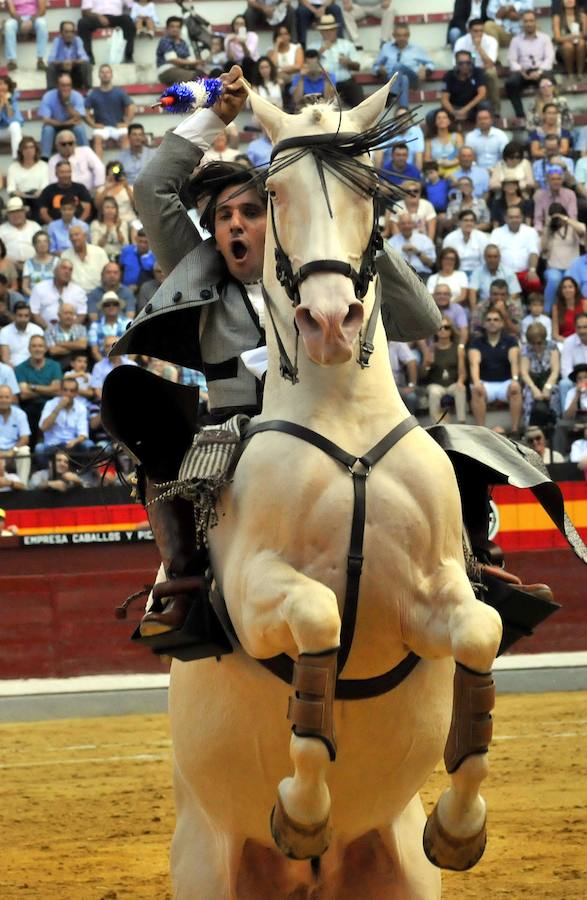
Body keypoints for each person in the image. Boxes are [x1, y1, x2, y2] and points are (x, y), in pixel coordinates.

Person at [104, 65, 442, 641]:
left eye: (250, 212)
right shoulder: (204, 273)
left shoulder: (328, 278)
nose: (234, 226)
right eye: (222, 218)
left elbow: (420, 321)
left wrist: (352, 233)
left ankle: (472, 563)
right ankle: (186, 577)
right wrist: (215, 115)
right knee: (135, 400)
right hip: (239, 439)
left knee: (444, 451)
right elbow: (152, 190)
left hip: (350, 429)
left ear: (282, 217)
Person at [468, 306, 522, 436]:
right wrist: (476, 383)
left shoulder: (511, 341)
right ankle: (482, 431)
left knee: (515, 388)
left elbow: (514, 362)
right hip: (485, 383)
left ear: (502, 323)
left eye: (496, 319)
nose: (492, 322)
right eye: (489, 319)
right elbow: (474, 364)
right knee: (476, 390)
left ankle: (515, 430)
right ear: (484, 323)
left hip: (505, 382)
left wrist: (515, 380)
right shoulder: (476, 342)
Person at [505, 11, 555, 120]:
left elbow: (549, 58)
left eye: (531, 21)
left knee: (548, 81)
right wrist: (521, 71)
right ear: (522, 23)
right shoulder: (515, 40)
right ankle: (520, 115)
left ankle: (550, 112)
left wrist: (539, 72)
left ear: (536, 22)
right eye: (526, 21)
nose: (528, 24)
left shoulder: (545, 38)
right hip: (523, 71)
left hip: (541, 70)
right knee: (510, 83)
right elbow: (512, 60)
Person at [372, 23, 434, 106]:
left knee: (398, 66)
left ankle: (391, 92)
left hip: (412, 79)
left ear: (408, 35)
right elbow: (375, 66)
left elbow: (430, 63)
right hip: (390, 78)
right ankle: (403, 111)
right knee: (404, 79)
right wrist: (379, 70)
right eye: (399, 35)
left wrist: (426, 70)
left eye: (404, 35)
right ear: (394, 35)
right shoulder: (386, 48)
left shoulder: (417, 48)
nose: (402, 38)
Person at [14, 334, 61, 437]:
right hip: (30, 406)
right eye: (34, 346)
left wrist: (33, 387)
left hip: (51, 404)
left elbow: (57, 389)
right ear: (29, 349)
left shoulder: (54, 365)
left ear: (45, 348)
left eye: (40, 346)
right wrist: (48, 391)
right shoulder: (20, 368)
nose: (37, 349)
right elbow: (24, 394)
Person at [541, 203, 586, 312]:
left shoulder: (572, 227)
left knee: (569, 281)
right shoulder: (548, 230)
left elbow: (583, 230)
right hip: (553, 268)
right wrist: (547, 226)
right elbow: (543, 248)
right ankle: (548, 311)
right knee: (554, 279)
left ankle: (571, 310)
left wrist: (565, 219)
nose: (557, 220)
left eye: (559, 217)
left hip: (572, 268)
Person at [84, 64, 135, 159]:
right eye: (102, 72)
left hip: (118, 126)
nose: (105, 74)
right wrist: (93, 125)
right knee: (97, 139)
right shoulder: (93, 94)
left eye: (107, 72)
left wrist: (127, 123)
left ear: (111, 75)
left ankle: (126, 166)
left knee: (125, 137)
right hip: (101, 127)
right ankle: (99, 169)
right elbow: (85, 111)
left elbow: (131, 106)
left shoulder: (119, 92)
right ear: (99, 75)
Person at [36, 375, 93, 459]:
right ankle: (49, 471)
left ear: (76, 393)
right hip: (53, 445)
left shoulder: (81, 408)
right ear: (60, 391)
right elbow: (43, 427)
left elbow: (83, 434)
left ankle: (83, 471)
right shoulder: (50, 404)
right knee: (39, 448)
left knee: (89, 444)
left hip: (73, 445)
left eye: (72, 391)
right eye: (65, 390)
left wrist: (75, 441)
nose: (68, 393)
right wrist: (58, 407)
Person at [313, 13, 363, 109]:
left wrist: (348, 63)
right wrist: (320, 52)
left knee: (356, 91)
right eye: (325, 30)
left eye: (331, 30)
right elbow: (309, 65)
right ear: (321, 32)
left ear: (336, 30)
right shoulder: (314, 46)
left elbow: (358, 66)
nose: (328, 33)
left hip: (345, 83)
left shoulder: (347, 44)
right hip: (323, 83)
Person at [423, 317, 467, 424]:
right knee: (433, 392)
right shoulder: (431, 348)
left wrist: (460, 382)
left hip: (452, 383)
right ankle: (437, 425)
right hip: (435, 384)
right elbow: (423, 375)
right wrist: (428, 364)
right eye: (440, 328)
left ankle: (462, 422)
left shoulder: (458, 349)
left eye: (446, 327)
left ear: (451, 330)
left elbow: (462, 372)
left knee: (461, 388)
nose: (442, 330)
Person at [490, 206, 541, 294]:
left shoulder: (530, 231)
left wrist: (532, 270)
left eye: (517, 217)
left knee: (535, 283)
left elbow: (533, 252)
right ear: (505, 218)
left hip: (524, 273)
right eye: (511, 217)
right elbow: (492, 254)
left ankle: (531, 306)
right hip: (503, 274)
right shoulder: (497, 232)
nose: (514, 220)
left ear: (522, 218)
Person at [454, 18, 500, 112]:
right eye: (475, 31)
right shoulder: (461, 42)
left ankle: (496, 110)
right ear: (469, 31)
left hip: (483, 71)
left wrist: (478, 47)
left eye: (481, 31)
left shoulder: (491, 41)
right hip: (466, 71)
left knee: (491, 73)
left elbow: (490, 64)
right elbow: (456, 64)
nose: (478, 34)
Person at [39, 74, 88, 161]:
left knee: (79, 128)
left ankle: (87, 155)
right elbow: (46, 120)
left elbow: (78, 118)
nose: (66, 88)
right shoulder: (48, 96)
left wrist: (67, 103)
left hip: (71, 127)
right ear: (58, 86)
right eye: (63, 85)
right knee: (47, 129)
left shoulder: (77, 96)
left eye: (68, 85)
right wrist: (64, 123)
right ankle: (45, 158)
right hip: (55, 128)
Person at [520, 321, 560, 426]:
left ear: (544, 339)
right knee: (528, 395)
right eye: (533, 343)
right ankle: (529, 427)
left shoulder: (552, 346)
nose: (536, 346)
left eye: (539, 343)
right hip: (533, 382)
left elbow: (555, 371)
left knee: (554, 393)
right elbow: (524, 373)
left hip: (549, 380)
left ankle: (555, 425)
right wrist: (534, 389)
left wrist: (547, 387)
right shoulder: (526, 349)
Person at [29, 258, 88, 327]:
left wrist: (69, 331)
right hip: (44, 331)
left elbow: (81, 315)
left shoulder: (79, 291)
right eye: (64, 268)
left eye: (70, 269)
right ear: (54, 271)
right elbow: (34, 312)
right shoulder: (39, 288)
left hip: (72, 333)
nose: (67, 271)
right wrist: (48, 330)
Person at [78, 0, 135, 65]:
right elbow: (85, 11)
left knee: (128, 20)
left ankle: (128, 55)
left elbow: (132, 6)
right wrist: (98, 16)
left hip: (116, 18)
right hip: (96, 18)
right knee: (82, 23)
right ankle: (88, 57)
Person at [440, 50, 488, 124]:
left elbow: (482, 94)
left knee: (485, 106)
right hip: (454, 108)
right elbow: (444, 99)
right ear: (456, 64)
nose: (464, 66)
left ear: (471, 62)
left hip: (472, 107)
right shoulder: (449, 75)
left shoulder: (478, 72)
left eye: (467, 63)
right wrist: (454, 112)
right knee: (431, 116)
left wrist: (465, 110)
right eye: (461, 63)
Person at [38, 160, 92, 224]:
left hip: (78, 227)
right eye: (62, 172)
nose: (66, 175)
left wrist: (78, 225)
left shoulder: (80, 188)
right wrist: (54, 225)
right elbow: (43, 212)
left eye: (68, 172)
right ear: (56, 174)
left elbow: (87, 210)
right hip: (54, 226)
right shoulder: (48, 190)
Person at [7, 138, 49, 220]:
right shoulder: (13, 167)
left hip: (38, 197)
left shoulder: (43, 166)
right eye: (25, 148)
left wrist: (41, 191)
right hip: (21, 197)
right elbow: (10, 187)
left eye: (31, 147)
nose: (29, 150)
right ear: (21, 151)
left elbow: (45, 185)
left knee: (38, 204)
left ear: (36, 150)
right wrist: (15, 192)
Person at [156, 16, 204, 87]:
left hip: (181, 69)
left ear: (180, 29)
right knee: (192, 76)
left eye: (177, 27)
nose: (175, 29)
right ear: (167, 28)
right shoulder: (165, 40)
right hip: (166, 70)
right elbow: (173, 60)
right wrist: (195, 62)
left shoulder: (183, 42)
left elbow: (188, 58)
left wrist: (197, 64)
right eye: (172, 26)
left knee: (201, 73)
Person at [47, 20, 92, 90]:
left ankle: (88, 90)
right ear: (61, 33)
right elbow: (50, 60)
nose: (69, 34)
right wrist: (62, 63)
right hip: (61, 74)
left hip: (75, 74)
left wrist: (72, 62)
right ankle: (51, 92)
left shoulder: (78, 40)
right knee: (51, 67)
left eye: (72, 32)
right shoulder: (57, 41)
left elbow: (85, 58)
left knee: (86, 64)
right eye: (66, 32)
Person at [442, 209, 489, 277]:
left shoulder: (482, 237)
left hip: (477, 273)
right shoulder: (450, 238)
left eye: (471, 221)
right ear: (459, 222)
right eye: (466, 220)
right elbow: (446, 260)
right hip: (456, 273)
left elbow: (485, 260)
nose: (469, 223)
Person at [0, 384, 31, 486]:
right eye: (0, 397)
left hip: (12, 453)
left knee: (24, 451)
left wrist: (13, 450)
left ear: (12, 398)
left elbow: (25, 438)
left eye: (6, 397)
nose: (3, 400)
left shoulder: (20, 414)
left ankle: (22, 486)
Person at [4, 0, 48, 72]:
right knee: (8, 26)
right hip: (17, 18)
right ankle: (12, 61)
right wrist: (21, 22)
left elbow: (42, 10)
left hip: (34, 17)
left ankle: (40, 60)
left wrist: (31, 20)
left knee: (42, 24)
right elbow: (12, 12)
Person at [267, 24, 303, 111]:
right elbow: (271, 66)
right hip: (279, 80)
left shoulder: (296, 48)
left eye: (286, 34)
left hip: (294, 78)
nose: (283, 37)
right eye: (280, 34)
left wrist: (280, 69)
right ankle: (280, 107)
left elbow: (298, 66)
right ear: (276, 37)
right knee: (279, 80)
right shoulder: (271, 50)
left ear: (289, 35)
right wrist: (276, 47)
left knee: (282, 78)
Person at [554, 360, 587, 455]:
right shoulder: (572, 392)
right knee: (560, 426)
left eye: (585, 377)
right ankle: (559, 457)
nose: (583, 381)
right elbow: (567, 416)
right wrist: (577, 396)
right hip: (576, 423)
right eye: (579, 379)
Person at [44, 302, 88, 371]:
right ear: (59, 315)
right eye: (66, 313)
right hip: (58, 364)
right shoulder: (50, 331)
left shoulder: (81, 329)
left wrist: (60, 344)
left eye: (71, 313)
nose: (69, 316)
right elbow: (53, 351)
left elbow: (83, 345)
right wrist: (76, 346)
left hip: (77, 367)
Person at [88, 291, 131, 360]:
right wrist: (106, 366)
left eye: (115, 304)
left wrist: (126, 365)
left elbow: (135, 346)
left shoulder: (128, 323)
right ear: (102, 308)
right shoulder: (95, 326)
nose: (111, 307)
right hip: (103, 365)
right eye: (107, 305)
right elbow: (95, 351)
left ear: (119, 307)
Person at [533, 167, 578, 233]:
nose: (556, 182)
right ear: (548, 181)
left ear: (562, 180)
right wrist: (540, 232)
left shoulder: (570, 194)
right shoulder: (539, 195)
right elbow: (538, 219)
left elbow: (573, 217)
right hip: (547, 231)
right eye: (553, 179)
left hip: (566, 230)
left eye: (558, 179)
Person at [0, 302, 44, 367]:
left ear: (30, 317)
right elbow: (5, 358)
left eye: (26, 316)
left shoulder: (37, 330)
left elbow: (41, 354)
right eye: (20, 315)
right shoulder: (5, 332)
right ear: (14, 316)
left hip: (34, 368)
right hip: (13, 369)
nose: (23, 319)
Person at [424, 109, 463, 178]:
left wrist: (449, 163)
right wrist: (439, 163)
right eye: (438, 118)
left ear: (449, 121)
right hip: (436, 174)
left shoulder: (457, 136)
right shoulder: (429, 140)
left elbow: (462, 156)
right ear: (435, 122)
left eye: (444, 117)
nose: (441, 120)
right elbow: (427, 160)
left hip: (455, 172)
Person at [0, 198, 39, 266]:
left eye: (18, 211)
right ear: (7, 215)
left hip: (34, 265)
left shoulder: (35, 226)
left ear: (24, 212)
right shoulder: (1, 229)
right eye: (12, 212)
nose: (16, 215)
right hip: (9, 267)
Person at [552, 0, 586, 77]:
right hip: (563, 47)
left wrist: (574, 37)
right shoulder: (557, 17)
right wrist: (572, 37)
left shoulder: (582, 15)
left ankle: (580, 73)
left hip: (580, 44)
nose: (569, 0)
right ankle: (570, 74)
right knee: (568, 46)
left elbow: (585, 34)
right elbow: (557, 38)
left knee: (581, 43)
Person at [90, 196, 130, 260]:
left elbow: (125, 245)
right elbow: (95, 246)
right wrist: (107, 233)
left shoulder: (122, 223)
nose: (110, 210)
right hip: (101, 257)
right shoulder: (95, 224)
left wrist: (117, 230)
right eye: (107, 207)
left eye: (113, 207)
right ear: (102, 210)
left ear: (116, 210)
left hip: (120, 256)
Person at [224, 14, 260, 81]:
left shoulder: (252, 36)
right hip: (237, 65)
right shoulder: (229, 38)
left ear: (245, 26)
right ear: (233, 26)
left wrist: (243, 44)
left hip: (251, 63)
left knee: (246, 60)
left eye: (241, 24)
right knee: (229, 64)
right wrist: (229, 44)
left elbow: (248, 55)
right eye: (237, 24)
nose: (239, 26)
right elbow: (230, 58)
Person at [551, 276, 587, 343]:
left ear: (575, 289)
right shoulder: (556, 307)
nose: (567, 290)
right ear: (561, 291)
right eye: (564, 287)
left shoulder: (584, 303)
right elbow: (555, 334)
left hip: (584, 340)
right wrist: (568, 342)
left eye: (570, 287)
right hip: (564, 341)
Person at [0, 74, 23, 160]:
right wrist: (1, 105)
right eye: (0, 84)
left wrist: (7, 103)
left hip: (6, 132)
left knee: (15, 126)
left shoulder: (12, 99)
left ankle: (17, 158)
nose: (2, 87)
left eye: (5, 84)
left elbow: (13, 118)